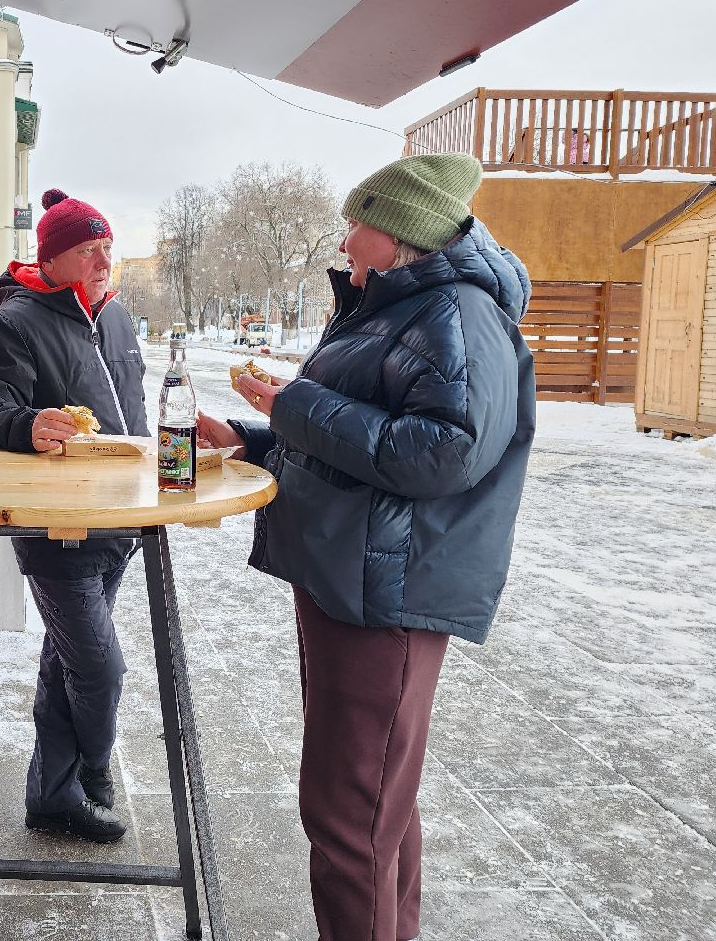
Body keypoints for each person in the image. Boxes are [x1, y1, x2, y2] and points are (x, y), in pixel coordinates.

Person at [198, 152, 535, 941]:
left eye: (359, 222)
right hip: (349, 576)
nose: (346, 239)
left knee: (349, 815)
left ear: (401, 232)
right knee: (378, 800)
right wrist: (253, 438)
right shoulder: (396, 306)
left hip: (388, 587)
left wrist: (296, 403)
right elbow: (364, 434)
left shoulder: (455, 312)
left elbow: (444, 453)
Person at [0, 187, 148, 845]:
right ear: (53, 259)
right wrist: (23, 424)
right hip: (57, 530)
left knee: (64, 664)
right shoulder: (10, 325)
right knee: (99, 669)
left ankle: (52, 798)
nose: (104, 260)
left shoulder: (116, 320)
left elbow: (134, 417)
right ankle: (92, 768)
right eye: (89, 250)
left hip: (122, 525)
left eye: (109, 249)